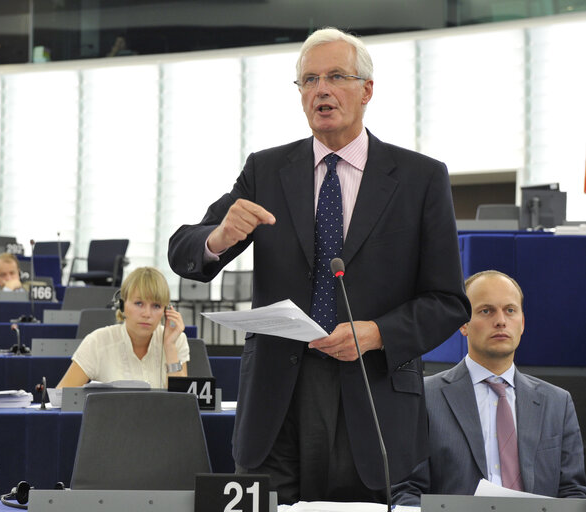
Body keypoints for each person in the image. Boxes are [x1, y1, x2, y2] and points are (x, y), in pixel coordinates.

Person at [168, 27, 470, 504]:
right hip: (276, 406)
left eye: (335, 77)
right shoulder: (266, 171)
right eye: (308, 80)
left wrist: (376, 333)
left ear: (366, 89)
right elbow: (183, 251)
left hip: (373, 401)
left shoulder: (420, 178)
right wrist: (219, 237)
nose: (320, 90)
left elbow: (448, 302)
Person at [393, 270, 586, 504]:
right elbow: (406, 492)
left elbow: (573, 493)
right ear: (462, 323)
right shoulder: (425, 398)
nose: (501, 321)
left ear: (522, 323)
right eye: (486, 311)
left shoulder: (557, 402)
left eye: (510, 310)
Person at [56, 267, 189, 389]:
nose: (147, 314)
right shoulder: (97, 341)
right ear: (122, 306)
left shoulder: (176, 340)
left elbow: (183, 405)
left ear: (166, 311)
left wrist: (170, 347)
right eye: (139, 303)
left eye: (156, 306)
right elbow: (61, 398)